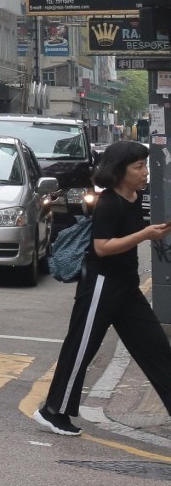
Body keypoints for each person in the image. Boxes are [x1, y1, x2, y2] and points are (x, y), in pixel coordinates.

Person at [33, 140, 171, 436]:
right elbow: (102, 248)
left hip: (126, 288)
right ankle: (52, 412)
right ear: (120, 171)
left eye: (145, 165)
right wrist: (145, 234)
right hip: (101, 286)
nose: (145, 172)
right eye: (139, 167)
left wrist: (148, 233)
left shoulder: (135, 196)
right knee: (81, 349)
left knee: (157, 348)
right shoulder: (109, 202)